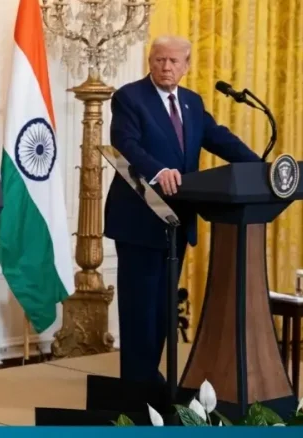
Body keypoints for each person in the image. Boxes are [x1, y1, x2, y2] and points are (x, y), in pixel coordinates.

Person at [104, 35, 262, 385]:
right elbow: (125, 144)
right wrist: (159, 172)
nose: (166, 67)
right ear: (150, 61)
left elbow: (220, 139)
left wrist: (261, 169)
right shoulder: (130, 97)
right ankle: (137, 385)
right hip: (139, 219)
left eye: (174, 61)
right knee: (139, 309)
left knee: (163, 310)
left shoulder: (191, 102)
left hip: (177, 222)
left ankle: (150, 378)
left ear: (186, 65)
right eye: (160, 59)